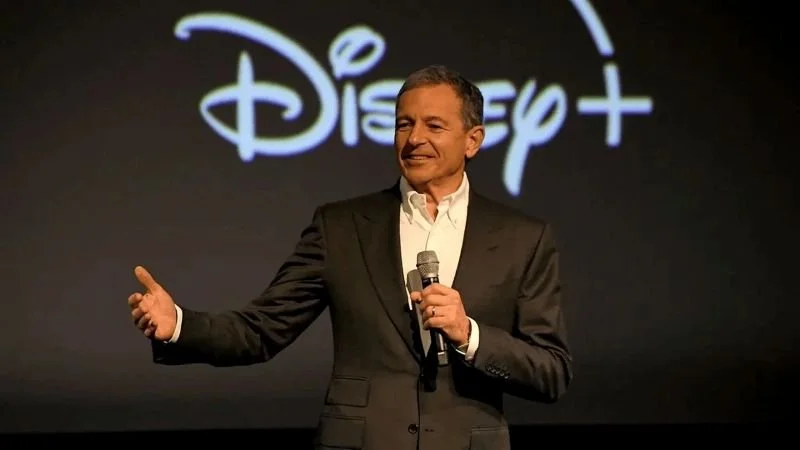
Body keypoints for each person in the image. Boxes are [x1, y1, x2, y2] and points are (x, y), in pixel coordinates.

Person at [128, 64, 572, 450]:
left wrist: (469, 334)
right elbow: (262, 330)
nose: (415, 138)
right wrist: (179, 325)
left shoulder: (522, 237)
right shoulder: (340, 227)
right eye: (404, 124)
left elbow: (551, 371)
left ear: (472, 141)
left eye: (434, 126)